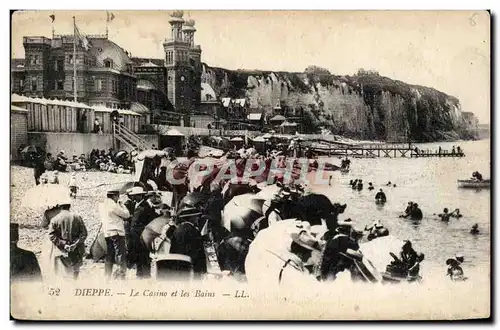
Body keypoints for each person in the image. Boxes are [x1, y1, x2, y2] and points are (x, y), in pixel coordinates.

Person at [48, 203, 88, 280]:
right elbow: (84, 233)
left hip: (62, 250)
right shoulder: (77, 217)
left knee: (64, 271)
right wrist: (75, 244)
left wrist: (64, 244)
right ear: (69, 206)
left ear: (60, 207)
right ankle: (74, 283)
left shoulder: (55, 219)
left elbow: (51, 235)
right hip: (77, 249)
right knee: (76, 269)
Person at [169, 205, 208, 280]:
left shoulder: (178, 229)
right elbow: (198, 250)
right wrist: (202, 268)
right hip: (191, 265)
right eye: (196, 217)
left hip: (179, 263)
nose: (198, 219)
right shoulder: (193, 230)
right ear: (191, 218)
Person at [99, 190, 130, 280]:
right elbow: (126, 214)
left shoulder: (102, 205)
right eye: (118, 196)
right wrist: (122, 205)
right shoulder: (113, 205)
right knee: (120, 254)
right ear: (114, 196)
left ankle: (107, 275)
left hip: (107, 232)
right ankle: (121, 275)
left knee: (110, 254)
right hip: (117, 231)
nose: (119, 198)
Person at [128, 187, 157, 279]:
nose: (133, 197)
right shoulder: (137, 205)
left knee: (144, 255)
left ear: (140, 196)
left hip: (142, 235)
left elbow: (150, 220)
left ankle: (146, 275)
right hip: (136, 235)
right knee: (138, 254)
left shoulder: (145, 207)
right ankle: (139, 273)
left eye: (135, 196)